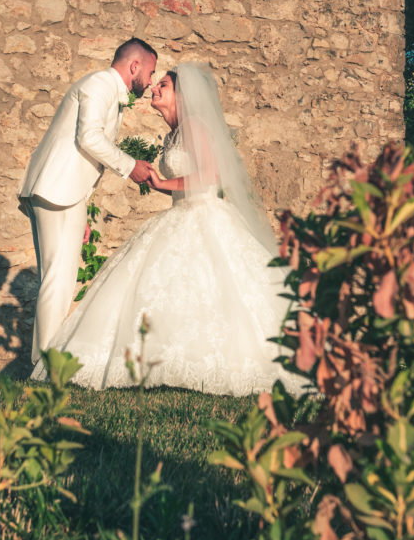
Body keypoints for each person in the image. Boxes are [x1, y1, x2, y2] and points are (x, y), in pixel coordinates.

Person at [31, 63, 306, 396]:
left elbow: (209, 176)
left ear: (182, 95)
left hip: (204, 215)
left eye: (163, 84)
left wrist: (162, 182)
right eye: (156, 82)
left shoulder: (194, 125)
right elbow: (184, 180)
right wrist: (159, 182)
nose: (154, 88)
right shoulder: (173, 134)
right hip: (180, 212)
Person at [19, 38, 158, 366]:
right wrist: (130, 166)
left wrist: (81, 207)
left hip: (67, 193)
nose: (151, 81)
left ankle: (45, 362)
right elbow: (89, 138)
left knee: (59, 279)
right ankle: (45, 366)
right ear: (134, 66)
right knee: (58, 280)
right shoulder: (100, 84)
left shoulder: (106, 88)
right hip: (57, 189)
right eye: (151, 72)